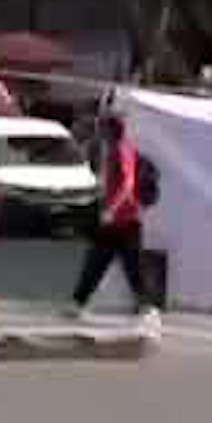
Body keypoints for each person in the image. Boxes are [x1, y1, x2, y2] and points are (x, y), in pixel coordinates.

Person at [69, 113, 158, 327]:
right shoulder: (111, 151)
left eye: (102, 129)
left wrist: (111, 210)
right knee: (96, 261)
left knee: (132, 267)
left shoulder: (121, 150)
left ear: (110, 131)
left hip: (125, 221)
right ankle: (77, 303)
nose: (99, 133)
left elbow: (127, 185)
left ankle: (147, 309)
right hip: (113, 222)